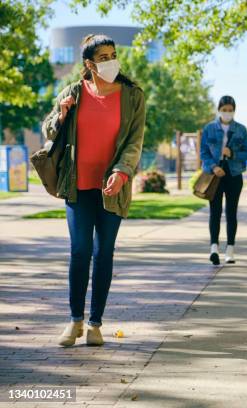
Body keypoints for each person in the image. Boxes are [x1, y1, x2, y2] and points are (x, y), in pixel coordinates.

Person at [42, 34, 146, 346]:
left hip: (112, 187)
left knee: (103, 254)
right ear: (89, 64)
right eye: (103, 57)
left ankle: (95, 324)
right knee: (79, 251)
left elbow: (134, 142)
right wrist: (62, 113)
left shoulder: (132, 95)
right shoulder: (74, 91)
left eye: (113, 54)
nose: (111, 60)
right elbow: (48, 128)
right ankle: (74, 321)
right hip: (77, 185)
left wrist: (122, 172)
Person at [201, 96, 247, 265]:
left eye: (230, 110)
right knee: (215, 212)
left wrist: (234, 154)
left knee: (231, 213)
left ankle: (230, 250)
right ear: (219, 110)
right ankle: (214, 248)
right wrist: (213, 167)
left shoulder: (241, 130)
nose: (227, 113)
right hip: (215, 175)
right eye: (225, 110)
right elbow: (203, 152)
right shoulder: (209, 128)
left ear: (234, 111)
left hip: (234, 175)